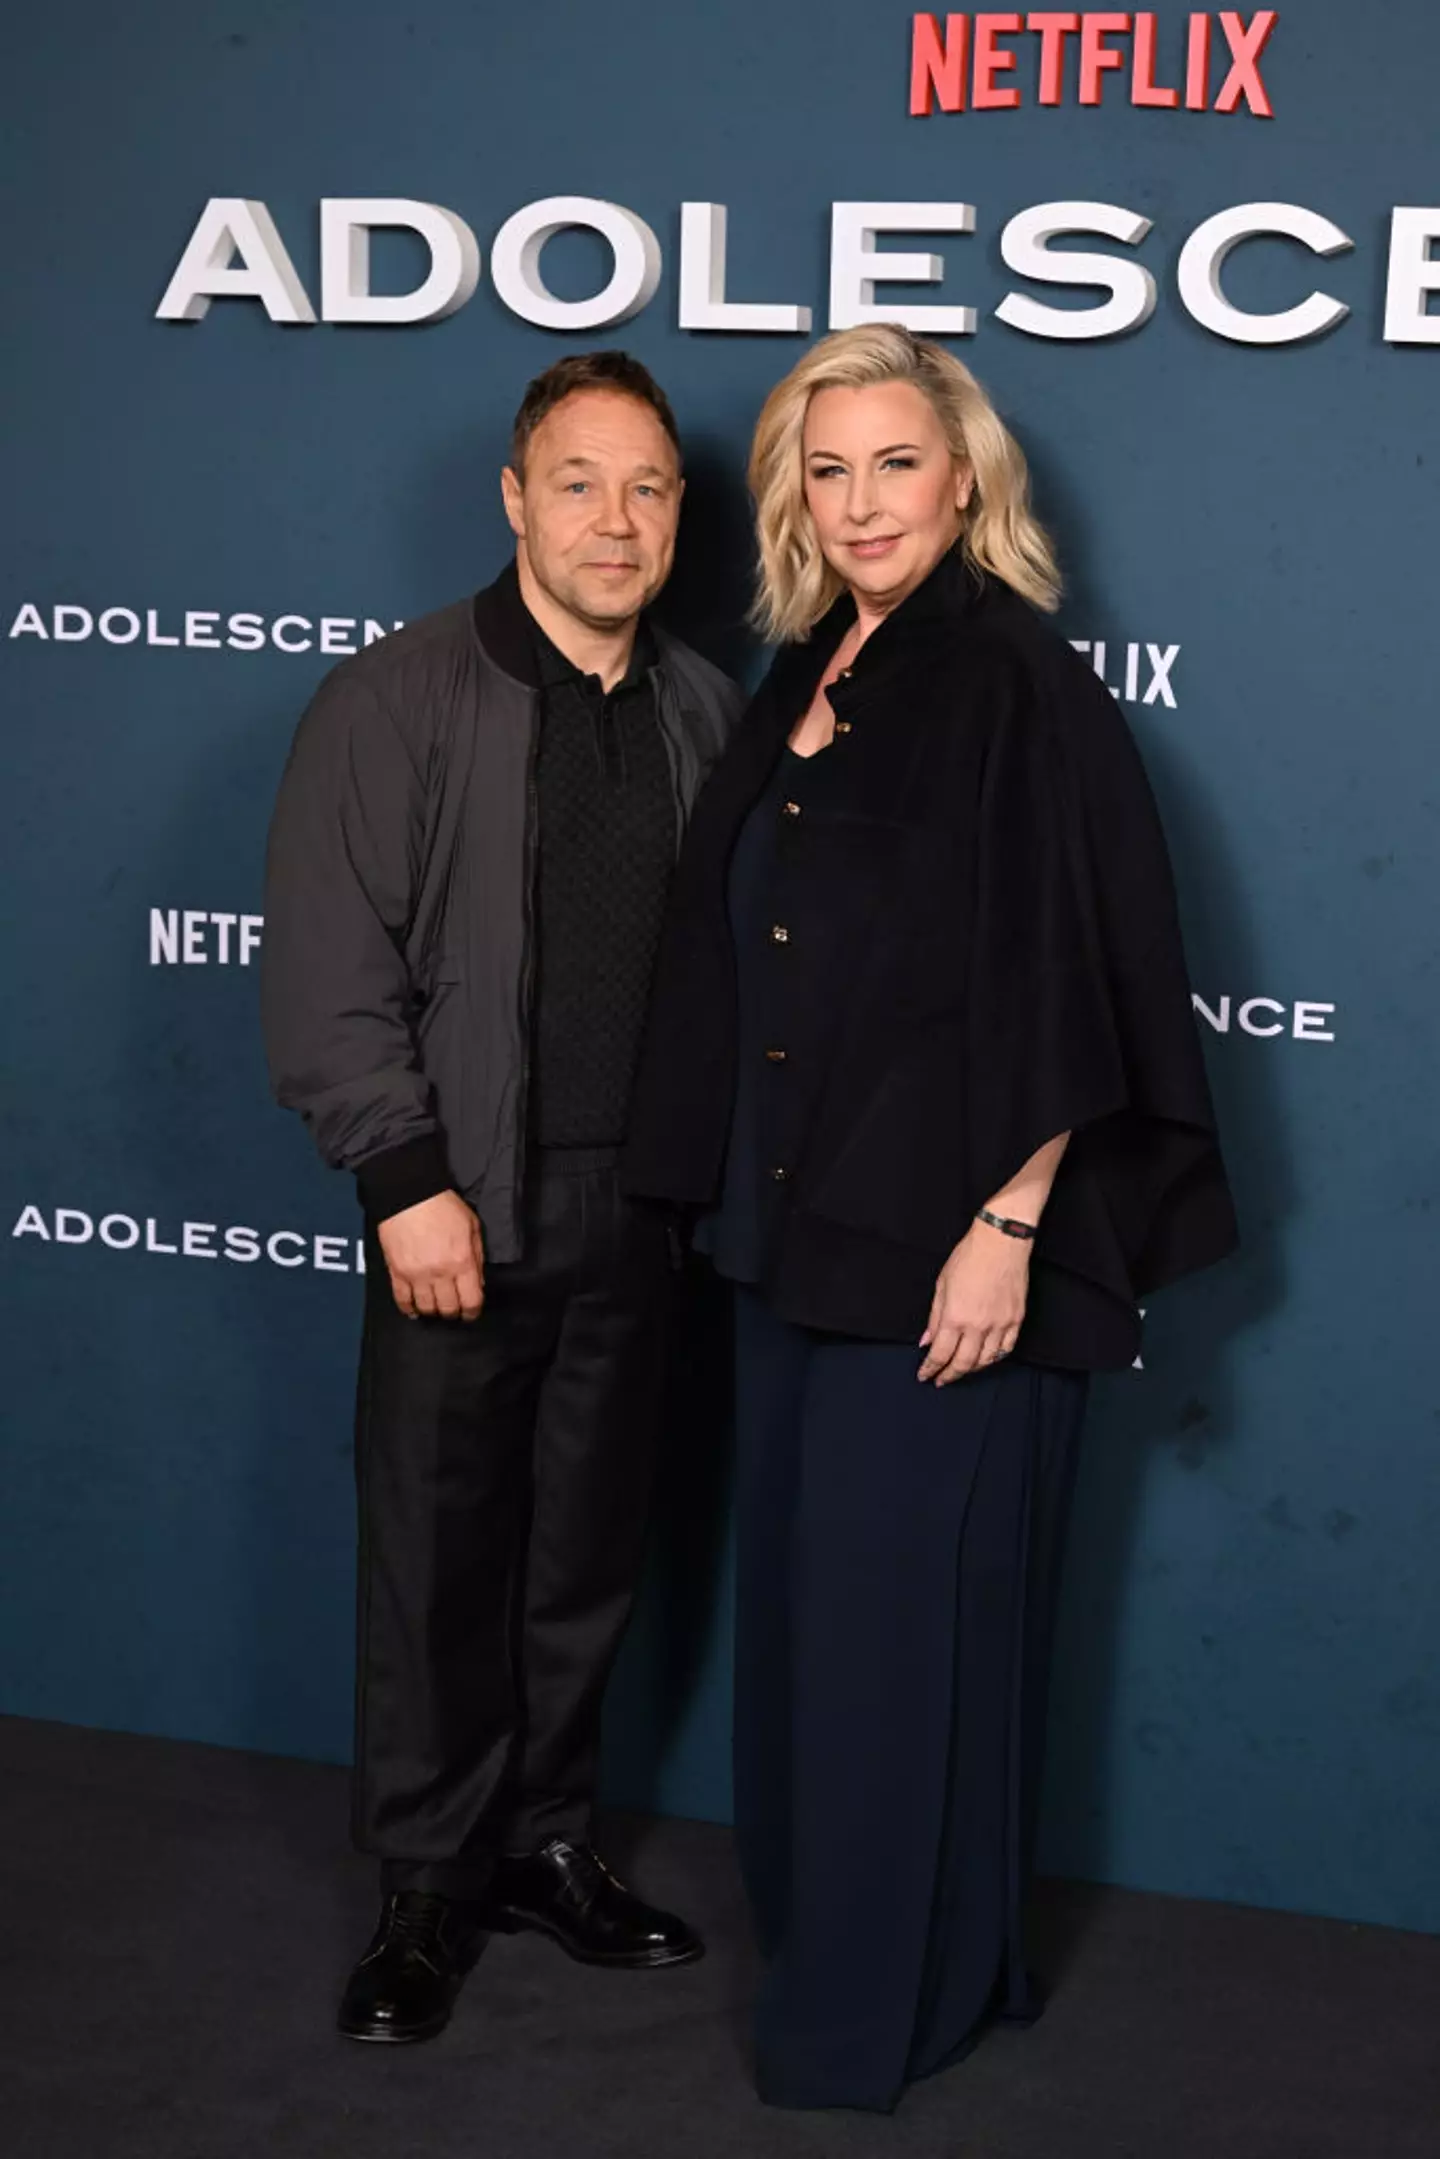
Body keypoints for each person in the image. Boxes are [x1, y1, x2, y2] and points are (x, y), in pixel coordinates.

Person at [622, 325, 1238, 2112]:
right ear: (792, 496)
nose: (863, 498)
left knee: (904, 1648)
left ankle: (866, 2022)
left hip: (949, 1248)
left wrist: (1009, 1219)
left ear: (965, 479)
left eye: (897, 461)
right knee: (826, 1639)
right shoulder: (809, 659)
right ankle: (911, 1958)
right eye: (829, 467)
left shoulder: (1011, 680)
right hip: (794, 1237)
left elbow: (1077, 962)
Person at [261, 351, 741, 2045]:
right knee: (438, 1560)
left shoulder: (699, 708)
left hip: (642, 1213)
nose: (617, 520)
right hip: (462, 1204)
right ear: (516, 499)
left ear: (681, 514)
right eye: (582, 483)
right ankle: (422, 1886)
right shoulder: (397, 697)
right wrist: (407, 1182)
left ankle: (546, 1842)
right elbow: (328, 967)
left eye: (651, 488)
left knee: (586, 1556)